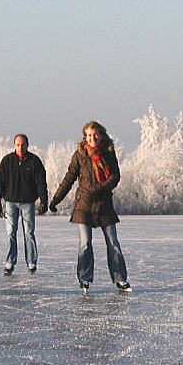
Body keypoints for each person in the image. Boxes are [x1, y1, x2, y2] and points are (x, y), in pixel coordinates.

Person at [49, 121, 131, 293]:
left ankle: (120, 279)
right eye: (88, 135)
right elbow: (69, 178)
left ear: (101, 135)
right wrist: (56, 199)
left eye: (95, 135)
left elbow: (115, 177)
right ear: (84, 137)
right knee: (85, 243)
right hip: (84, 206)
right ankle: (84, 279)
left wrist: (100, 189)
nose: (92, 138)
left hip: (104, 205)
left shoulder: (108, 154)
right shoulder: (79, 155)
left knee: (113, 243)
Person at [0, 134, 48, 275]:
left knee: (29, 233)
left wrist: (43, 200)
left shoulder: (34, 161)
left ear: (27, 145)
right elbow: (0, 182)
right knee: (10, 233)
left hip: (28, 202)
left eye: (23, 144)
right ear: (14, 146)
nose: (20, 147)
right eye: (18, 145)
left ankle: (31, 262)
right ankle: (10, 262)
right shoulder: (7, 161)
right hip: (10, 202)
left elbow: (41, 182)